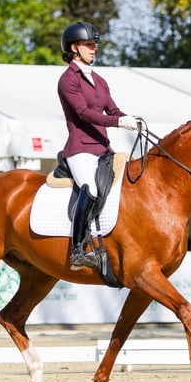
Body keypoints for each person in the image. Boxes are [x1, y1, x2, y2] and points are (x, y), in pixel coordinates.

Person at [57, 21, 141, 270]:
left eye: (95, 45)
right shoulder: (67, 80)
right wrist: (117, 122)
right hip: (80, 148)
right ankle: (77, 250)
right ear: (74, 47)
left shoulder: (100, 80)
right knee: (90, 188)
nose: (94, 49)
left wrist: (130, 119)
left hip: (104, 148)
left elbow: (113, 109)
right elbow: (83, 114)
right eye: (88, 45)